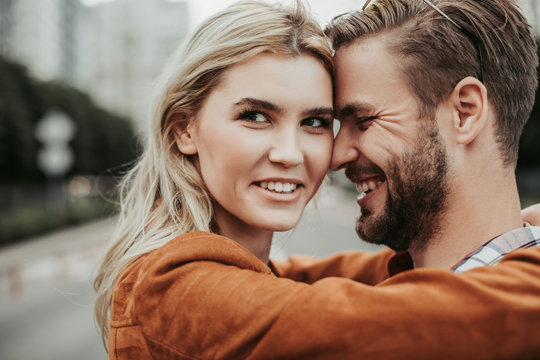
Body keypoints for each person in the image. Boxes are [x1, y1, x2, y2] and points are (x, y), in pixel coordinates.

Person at [94, 0, 540, 359]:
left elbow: (328, 280)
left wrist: (518, 232)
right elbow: (371, 321)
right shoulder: (171, 287)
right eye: (254, 116)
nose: (320, 156)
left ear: (466, 112)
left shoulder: (254, 275)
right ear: (183, 129)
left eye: (315, 122)